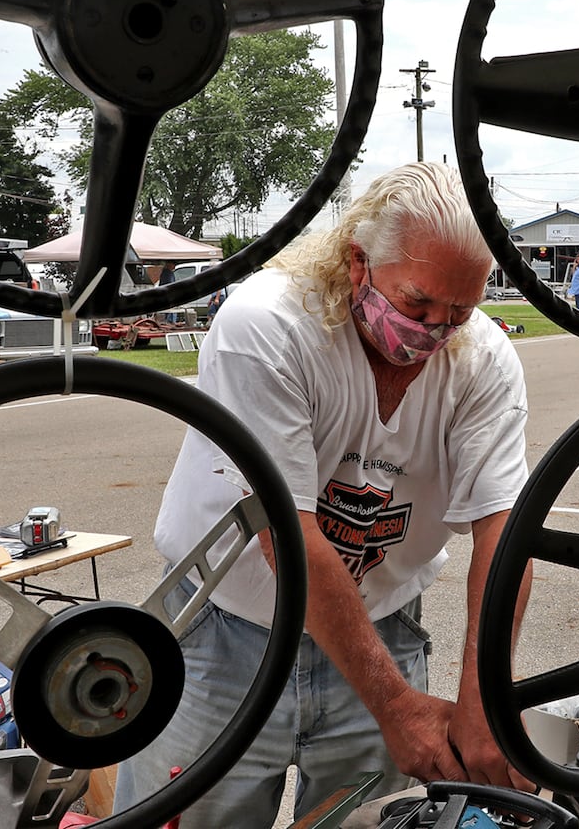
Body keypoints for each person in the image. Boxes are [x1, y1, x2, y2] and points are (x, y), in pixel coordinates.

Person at [113, 162, 533, 828]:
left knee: (372, 821)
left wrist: (484, 703)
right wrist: (396, 707)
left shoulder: (482, 360)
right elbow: (286, 533)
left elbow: (503, 531)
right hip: (223, 634)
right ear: (359, 262)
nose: (434, 331)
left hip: (381, 625)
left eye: (460, 311)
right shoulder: (270, 327)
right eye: (417, 304)